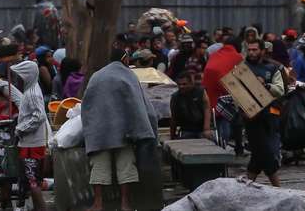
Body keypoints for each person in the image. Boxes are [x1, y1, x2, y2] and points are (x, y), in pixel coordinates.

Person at [82, 49, 157, 211]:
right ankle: (125, 204)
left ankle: (98, 204)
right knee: (126, 166)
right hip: (125, 132)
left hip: (99, 132)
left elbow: (87, 105)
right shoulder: (128, 75)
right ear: (125, 59)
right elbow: (139, 104)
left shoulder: (97, 76)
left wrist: (91, 128)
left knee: (99, 167)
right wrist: (147, 128)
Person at [11, 60, 52, 211]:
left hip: (31, 144)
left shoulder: (32, 93)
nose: (17, 80)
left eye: (19, 77)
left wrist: (20, 128)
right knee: (32, 181)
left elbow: (39, 116)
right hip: (31, 143)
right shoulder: (31, 90)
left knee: (33, 182)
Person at [242, 40, 285, 187]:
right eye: (249, 50)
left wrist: (266, 85)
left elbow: (280, 90)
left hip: (270, 116)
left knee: (259, 154)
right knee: (265, 152)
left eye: (255, 50)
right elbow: (235, 92)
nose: (252, 53)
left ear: (262, 51)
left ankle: (245, 188)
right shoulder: (242, 69)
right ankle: (279, 190)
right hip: (251, 118)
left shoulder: (272, 68)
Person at [201, 38, 244, 154]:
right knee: (232, 117)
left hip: (209, 90)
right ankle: (229, 148)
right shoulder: (238, 57)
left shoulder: (215, 55)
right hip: (225, 90)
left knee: (218, 116)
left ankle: (221, 146)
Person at [170, 72, 212, 140]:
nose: (181, 86)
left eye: (184, 84)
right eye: (179, 84)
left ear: (191, 83)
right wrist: (172, 135)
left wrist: (206, 129)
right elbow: (173, 117)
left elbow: (207, 109)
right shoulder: (175, 97)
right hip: (186, 129)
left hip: (202, 128)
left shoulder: (200, 92)